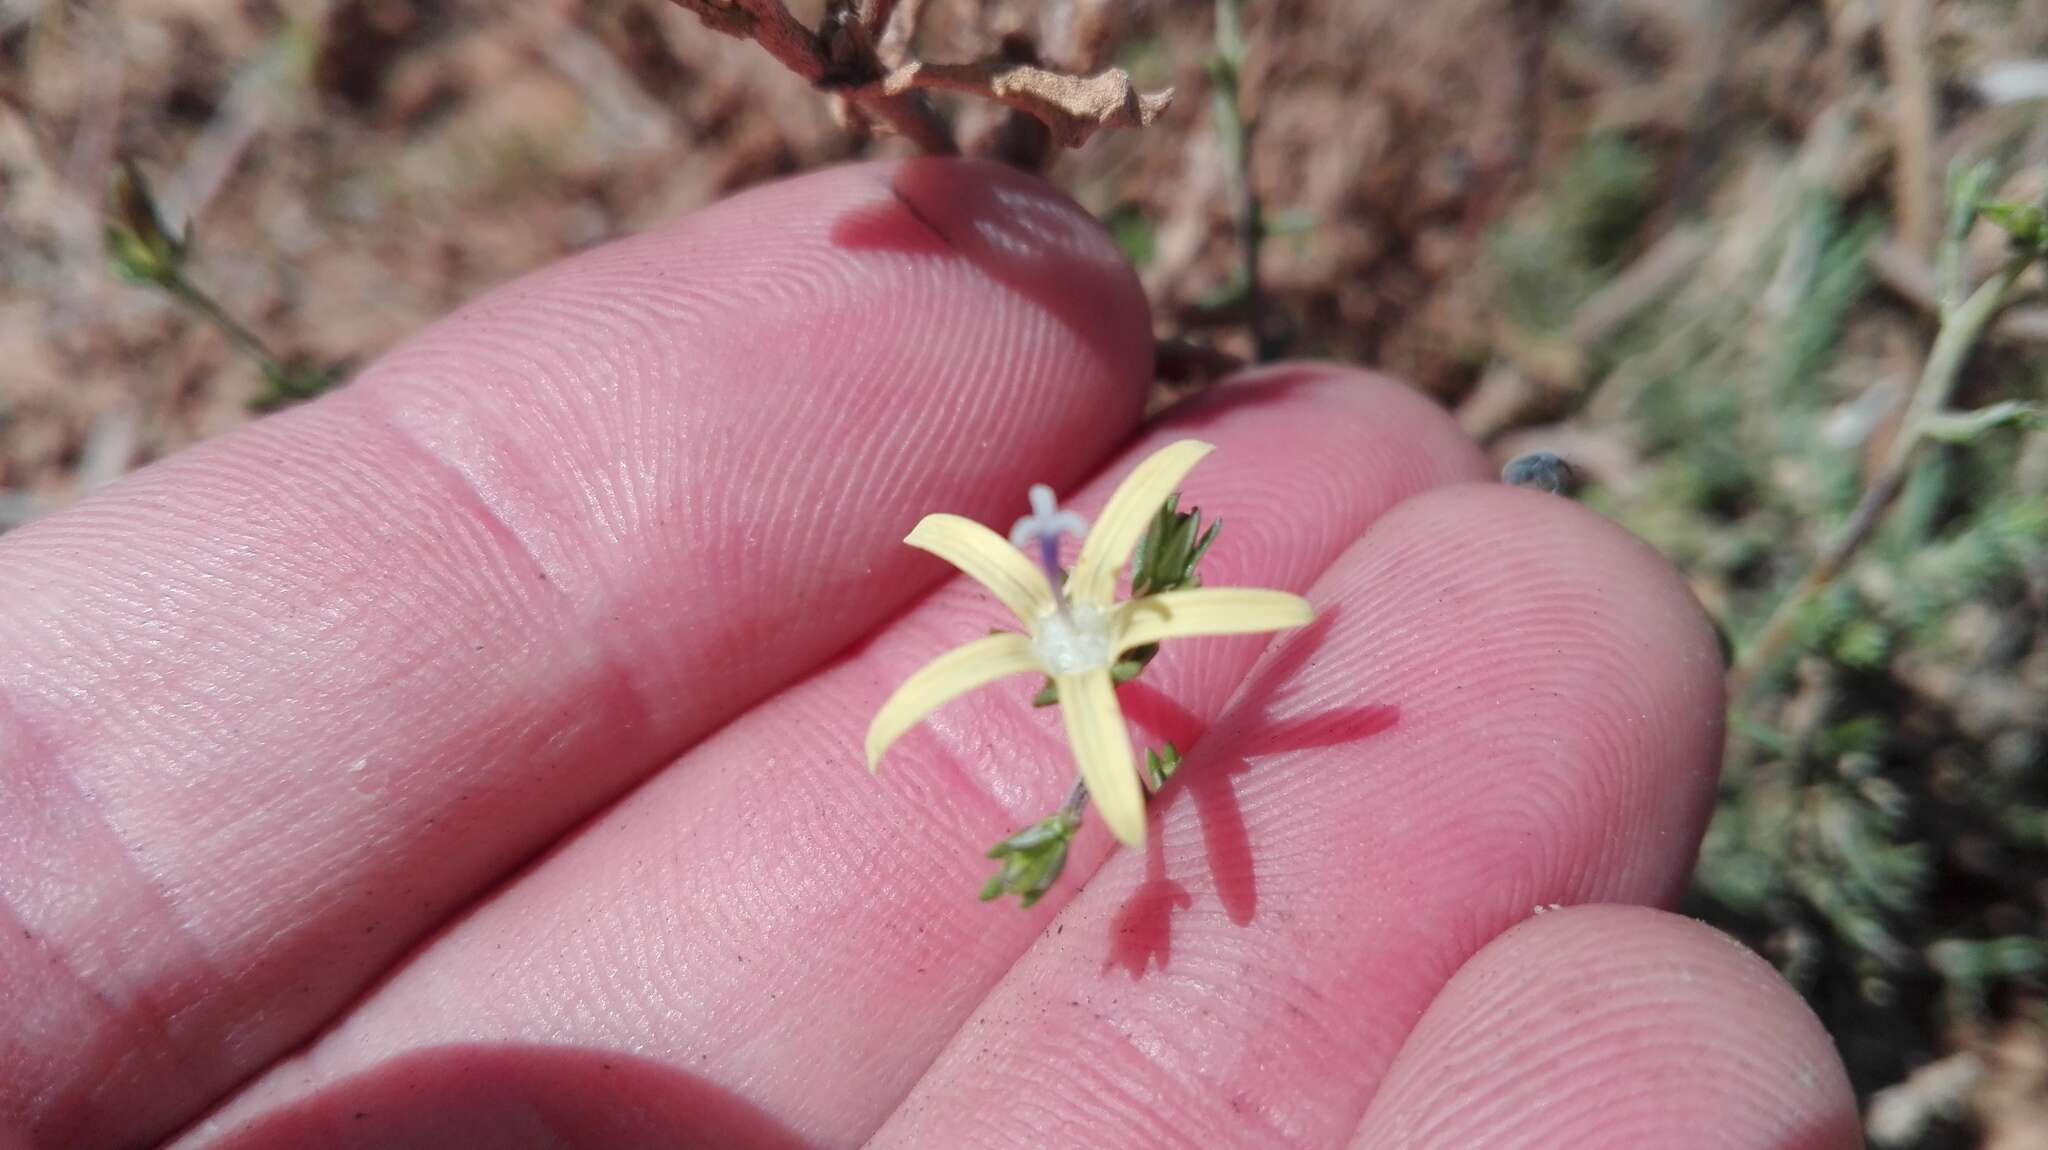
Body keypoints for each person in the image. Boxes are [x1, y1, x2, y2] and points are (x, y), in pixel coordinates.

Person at [0, 159, 1858, 1149]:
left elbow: (1207, 626)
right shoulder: (1043, 644)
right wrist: (1090, 738)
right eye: (1052, 593)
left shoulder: (1118, 616)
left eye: (1071, 586)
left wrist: (1115, 684)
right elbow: (1033, 659)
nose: (1044, 582)